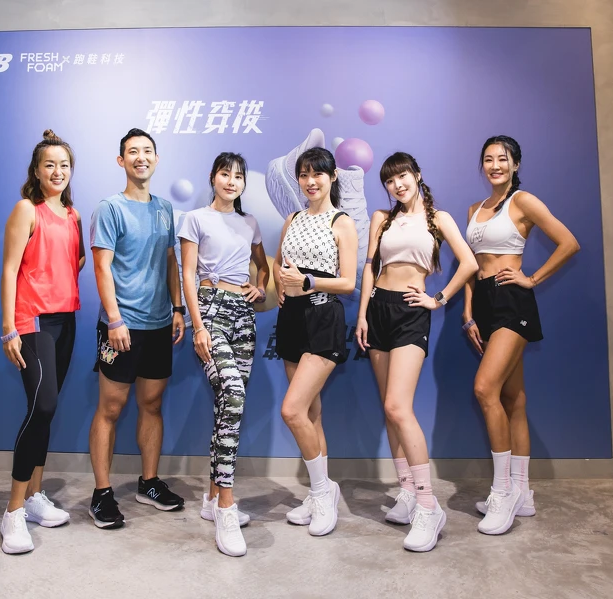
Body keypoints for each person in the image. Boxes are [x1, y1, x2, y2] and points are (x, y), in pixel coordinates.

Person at [355, 152, 477, 552]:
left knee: (398, 406)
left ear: (417, 175)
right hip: (378, 309)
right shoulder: (381, 218)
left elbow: (469, 263)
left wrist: (437, 299)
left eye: (403, 176)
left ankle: (428, 505)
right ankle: (406, 490)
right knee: (388, 409)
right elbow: (370, 268)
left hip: (411, 312)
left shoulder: (439, 219)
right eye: (390, 181)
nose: (397, 185)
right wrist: (362, 315)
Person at [464, 135, 580, 535]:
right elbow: (472, 265)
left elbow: (569, 243)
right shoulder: (474, 209)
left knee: (485, 389)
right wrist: (468, 312)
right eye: (488, 159)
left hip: (512, 301)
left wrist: (532, 278)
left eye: (503, 159)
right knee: (513, 398)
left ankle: (503, 493)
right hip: (484, 303)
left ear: (515, 164)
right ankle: (523, 492)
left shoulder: (523, 201)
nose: (495, 165)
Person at [88, 128, 186, 529]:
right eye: (133, 152)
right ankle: (102, 493)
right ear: (121, 160)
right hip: (121, 326)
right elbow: (101, 267)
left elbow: (171, 261)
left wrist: (177, 307)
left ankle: (149, 483)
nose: (140, 157)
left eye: (147, 151)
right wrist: (114, 319)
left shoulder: (165, 208)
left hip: (160, 324)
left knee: (152, 405)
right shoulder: (109, 208)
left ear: (156, 160)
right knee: (110, 409)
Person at [179, 152, 270, 557]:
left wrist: (260, 286)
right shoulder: (195, 219)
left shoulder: (250, 223)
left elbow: (263, 268)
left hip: (243, 318)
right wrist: (198, 326)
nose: (231, 181)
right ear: (213, 177)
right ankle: (227, 509)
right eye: (224, 174)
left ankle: (212, 499)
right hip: (210, 310)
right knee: (232, 395)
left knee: (225, 406)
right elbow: (187, 274)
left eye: (238, 176)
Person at [0, 129, 84, 554]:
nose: (57, 171)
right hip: (31, 321)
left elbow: (74, 261)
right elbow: (9, 269)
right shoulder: (26, 210)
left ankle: (34, 496)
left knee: (46, 413)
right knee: (42, 406)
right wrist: (8, 327)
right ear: (36, 170)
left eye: (64, 165)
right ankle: (13, 512)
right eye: (49, 164)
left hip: (65, 320)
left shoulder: (72, 215)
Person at [274, 147, 358, 537]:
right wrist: (281, 285)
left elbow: (348, 282)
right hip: (291, 319)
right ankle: (319, 491)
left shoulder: (342, 222)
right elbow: (280, 263)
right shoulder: (292, 218)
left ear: (332, 176)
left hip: (323, 317)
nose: (311, 181)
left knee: (292, 410)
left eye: (318, 174)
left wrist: (307, 282)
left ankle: (324, 493)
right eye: (304, 175)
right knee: (311, 414)